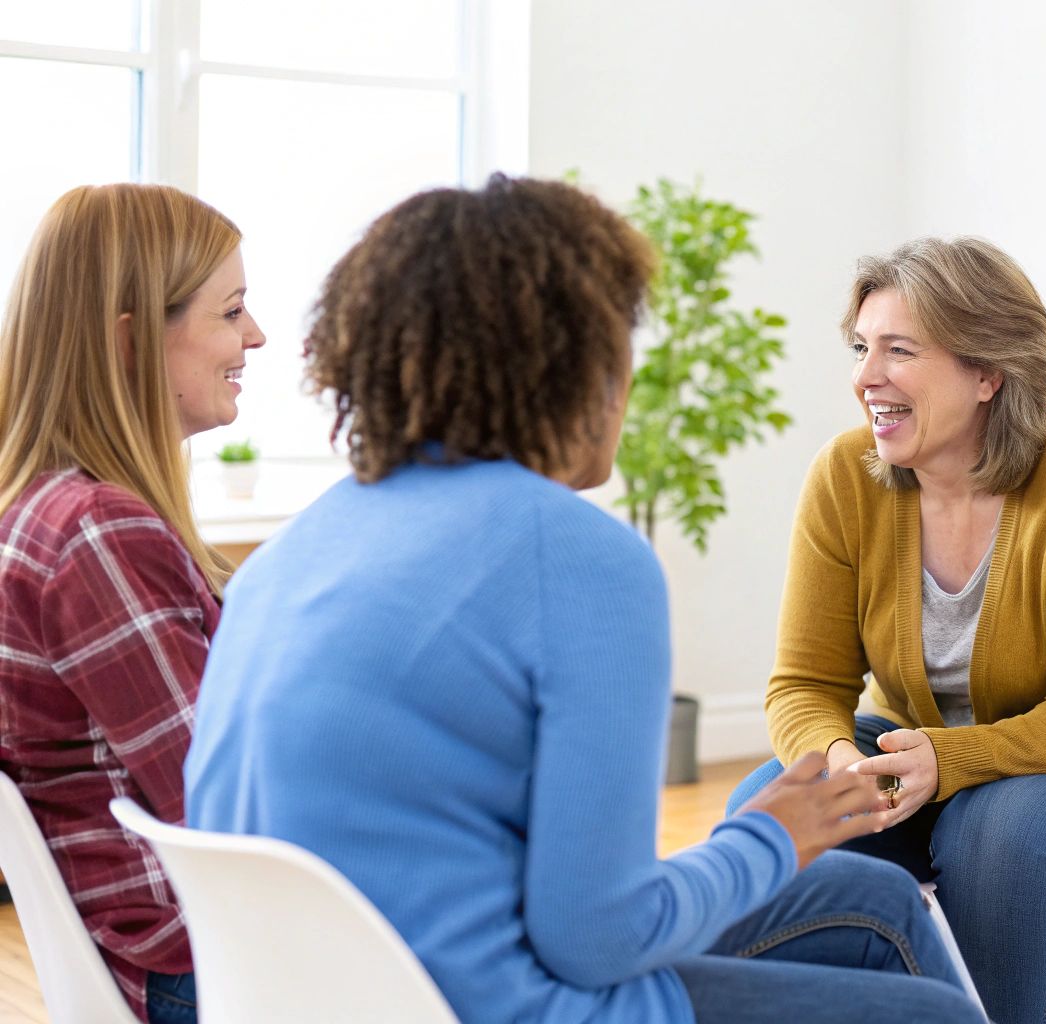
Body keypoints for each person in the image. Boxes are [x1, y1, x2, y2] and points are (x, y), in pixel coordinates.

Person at [182, 175, 984, 1024]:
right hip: (499, 1003)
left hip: (328, 996)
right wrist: (772, 835)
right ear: (569, 361)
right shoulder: (578, 560)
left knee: (870, 894)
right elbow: (598, 939)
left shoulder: (294, 550)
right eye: (619, 337)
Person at [727, 236, 1046, 1024]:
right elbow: (806, 683)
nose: (865, 377)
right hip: (910, 744)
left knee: (998, 839)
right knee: (770, 817)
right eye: (861, 348)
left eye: (899, 351)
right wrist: (843, 763)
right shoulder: (844, 476)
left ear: (988, 373)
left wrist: (946, 762)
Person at [0, 183, 266, 1024]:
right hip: (197, 971)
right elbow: (222, 807)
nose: (254, 336)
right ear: (130, 342)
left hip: (157, 954)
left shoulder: (46, 510)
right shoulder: (97, 533)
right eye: (230, 313)